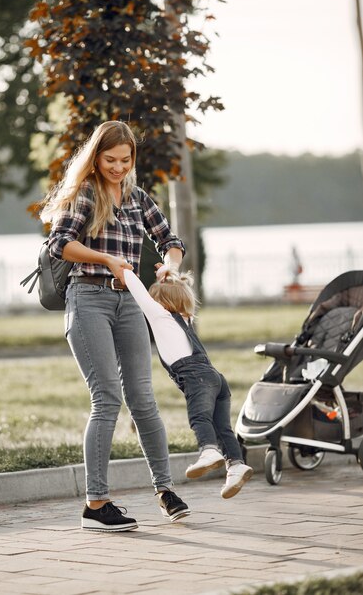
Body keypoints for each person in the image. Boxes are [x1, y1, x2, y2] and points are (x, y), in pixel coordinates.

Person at [43, 121, 190, 532]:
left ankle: (165, 491)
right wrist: (107, 259)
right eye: (110, 160)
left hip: (130, 301)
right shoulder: (85, 193)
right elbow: (60, 244)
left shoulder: (136, 196)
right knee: (106, 399)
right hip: (87, 298)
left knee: (143, 398)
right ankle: (96, 503)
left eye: (126, 160)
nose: (118, 167)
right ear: (96, 157)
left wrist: (170, 268)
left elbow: (170, 240)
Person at [123, 266, 253, 499]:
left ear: (159, 302)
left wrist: (122, 267)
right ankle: (236, 465)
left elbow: (138, 291)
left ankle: (208, 451)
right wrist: (166, 273)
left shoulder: (159, 315)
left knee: (199, 417)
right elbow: (180, 290)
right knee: (222, 427)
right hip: (216, 379)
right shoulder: (187, 318)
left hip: (196, 379)